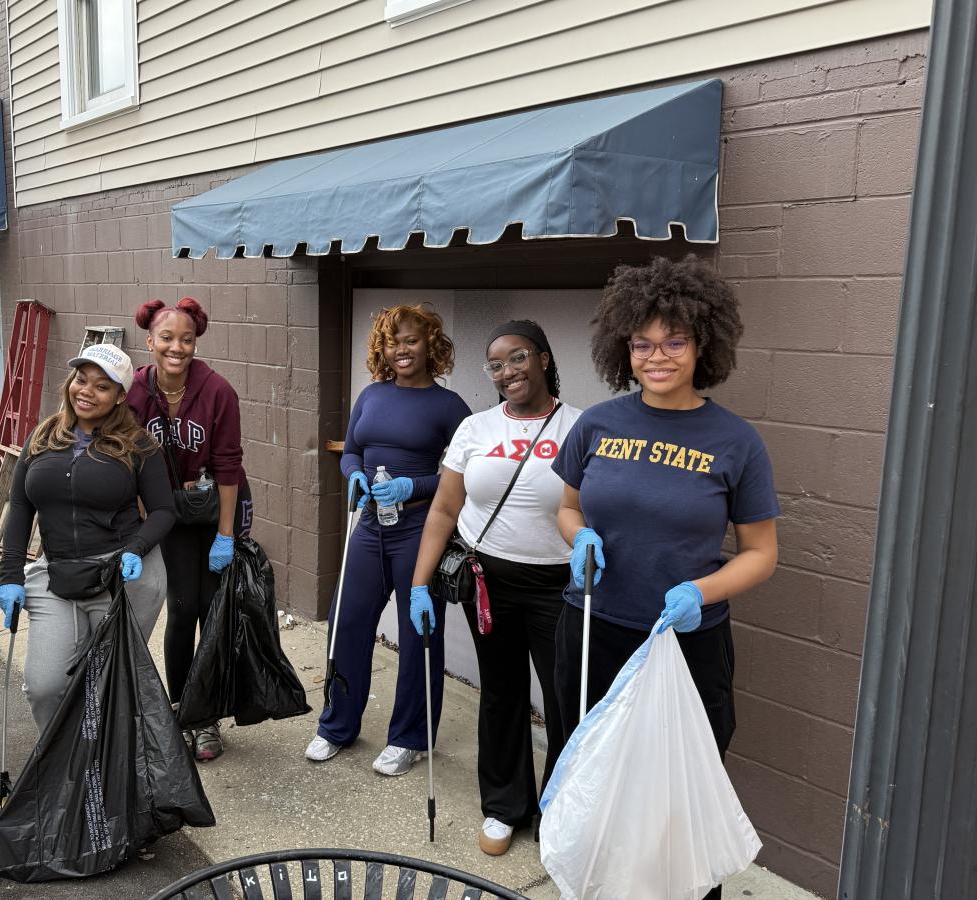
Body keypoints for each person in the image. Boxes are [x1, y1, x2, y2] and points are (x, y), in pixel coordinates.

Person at [551, 255, 779, 900]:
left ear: (703, 344)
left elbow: (762, 552)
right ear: (623, 348)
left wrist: (701, 591)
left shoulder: (736, 441)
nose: (657, 357)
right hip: (594, 629)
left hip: (685, 642)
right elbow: (567, 508)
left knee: (677, 796)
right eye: (642, 343)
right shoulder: (597, 424)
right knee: (592, 778)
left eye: (674, 341)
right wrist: (578, 537)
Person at [410, 320, 582, 856]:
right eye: (496, 364)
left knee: (565, 700)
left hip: (559, 585)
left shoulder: (581, 426)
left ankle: (560, 810)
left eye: (519, 357)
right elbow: (444, 509)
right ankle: (505, 807)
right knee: (502, 692)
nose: (508, 371)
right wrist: (419, 585)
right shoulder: (475, 429)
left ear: (544, 359)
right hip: (489, 582)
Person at [305, 305, 470, 776]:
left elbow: (464, 476)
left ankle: (410, 738)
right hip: (370, 527)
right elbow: (353, 450)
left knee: (419, 634)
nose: (402, 350)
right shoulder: (372, 395)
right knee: (346, 623)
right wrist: (354, 474)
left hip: (419, 531)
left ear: (430, 346)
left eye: (412, 340)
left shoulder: (449, 406)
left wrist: (413, 485)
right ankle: (337, 726)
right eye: (393, 342)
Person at [0, 343, 175, 734]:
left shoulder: (139, 445)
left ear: (120, 396)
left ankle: (102, 763)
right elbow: (21, 506)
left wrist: (136, 549)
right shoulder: (42, 436)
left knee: (108, 685)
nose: (87, 391)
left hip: (122, 576)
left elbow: (164, 510)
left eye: (102, 386)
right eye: (81, 379)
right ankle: (63, 762)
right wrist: (10, 575)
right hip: (57, 574)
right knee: (45, 686)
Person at [128, 297, 252, 762]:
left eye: (186, 339)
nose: (176, 347)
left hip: (216, 511)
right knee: (182, 610)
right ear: (150, 341)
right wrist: (143, 519)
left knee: (212, 613)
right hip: (169, 518)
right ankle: (181, 710)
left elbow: (229, 467)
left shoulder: (218, 391)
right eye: (167, 338)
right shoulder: (135, 393)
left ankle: (207, 715)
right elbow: (127, 458)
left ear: (195, 343)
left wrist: (226, 534)